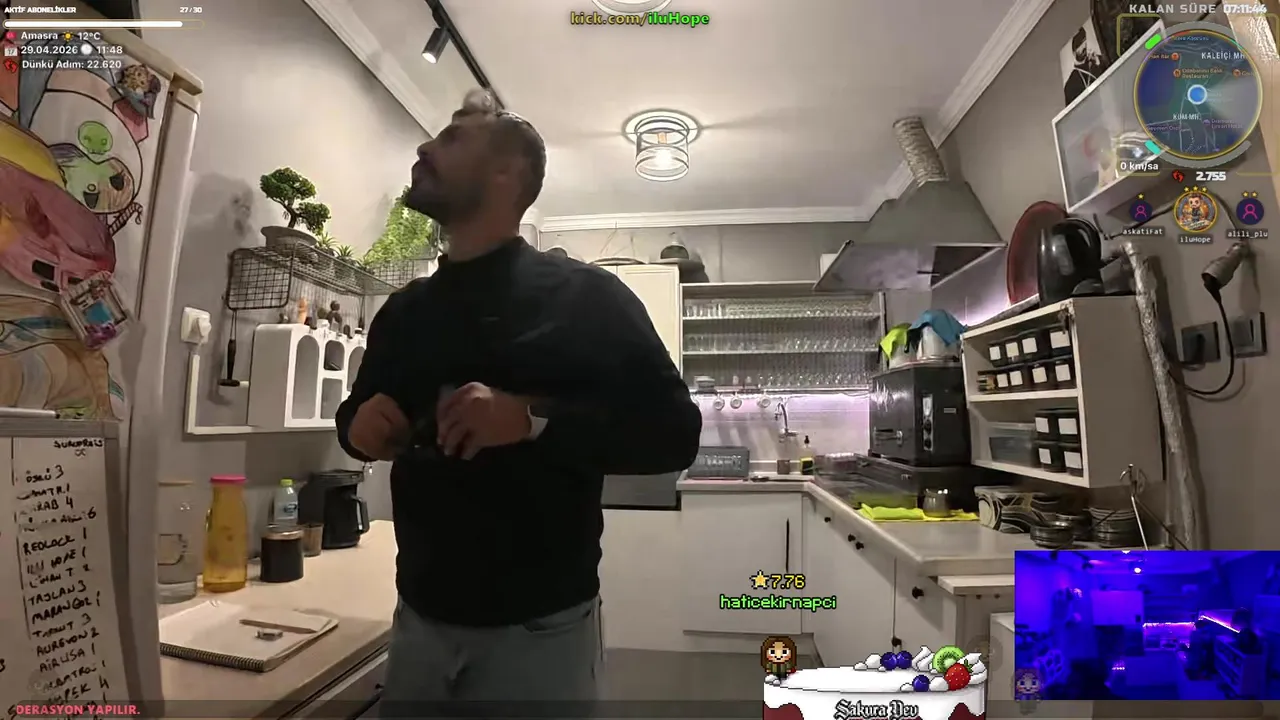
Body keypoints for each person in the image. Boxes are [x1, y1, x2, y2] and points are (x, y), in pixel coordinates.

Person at [335, 88, 702, 714]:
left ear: (507, 172)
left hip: (540, 635)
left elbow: (674, 434)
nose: (423, 146)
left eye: (452, 136)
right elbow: (356, 416)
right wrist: (357, 429)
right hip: (418, 622)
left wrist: (531, 422)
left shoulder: (589, 298)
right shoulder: (403, 312)